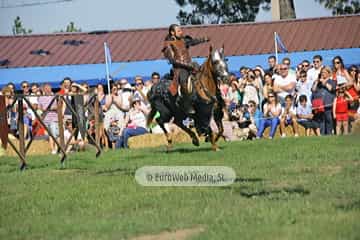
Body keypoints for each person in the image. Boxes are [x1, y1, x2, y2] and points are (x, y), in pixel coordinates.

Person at [162, 24, 209, 115]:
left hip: (191, 65)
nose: (181, 32)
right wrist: (188, 66)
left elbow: (193, 42)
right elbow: (173, 60)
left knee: (203, 74)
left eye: (181, 30)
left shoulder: (183, 40)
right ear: (172, 32)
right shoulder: (168, 44)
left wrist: (204, 39)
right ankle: (187, 104)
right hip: (179, 69)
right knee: (184, 80)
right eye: (179, 31)